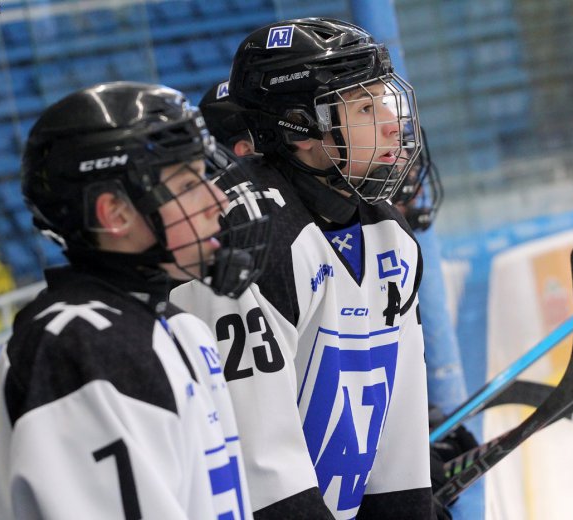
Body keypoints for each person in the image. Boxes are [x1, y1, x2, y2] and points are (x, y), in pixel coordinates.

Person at [171, 18, 435, 519]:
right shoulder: (244, 236)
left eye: (384, 100)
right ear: (299, 126)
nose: (391, 124)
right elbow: (262, 469)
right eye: (364, 107)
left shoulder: (390, 234)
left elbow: (398, 449)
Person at [0, 82, 270, 519]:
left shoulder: (180, 328)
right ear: (114, 214)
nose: (217, 199)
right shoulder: (80, 345)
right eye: (188, 183)